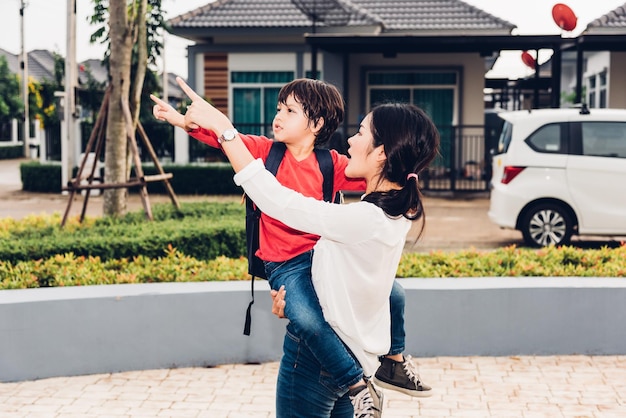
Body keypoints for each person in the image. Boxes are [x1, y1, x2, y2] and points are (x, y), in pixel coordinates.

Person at [152, 78, 435, 416]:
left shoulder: (336, 170)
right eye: (279, 109)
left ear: (316, 125)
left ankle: (365, 379)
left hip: (315, 338)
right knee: (312, 312)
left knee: (376, 299)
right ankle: (382, 368)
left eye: (361, 134)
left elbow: (276, 200)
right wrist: (188, 123)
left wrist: (222, 125)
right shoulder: (267, 152)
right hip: (290, 268)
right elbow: (229, 144)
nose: (279, 116)